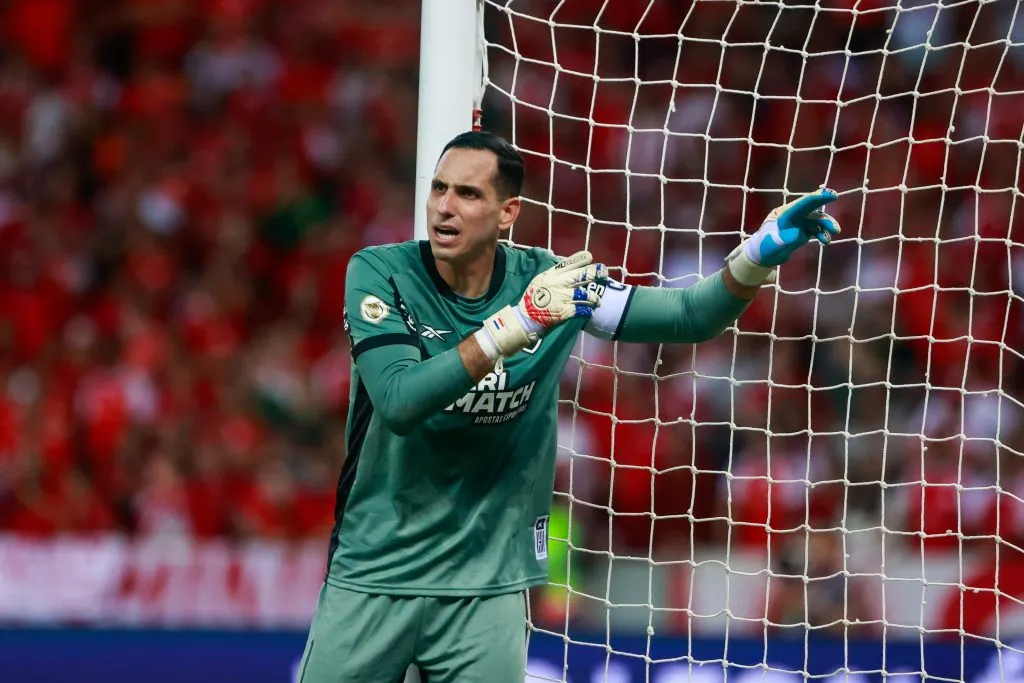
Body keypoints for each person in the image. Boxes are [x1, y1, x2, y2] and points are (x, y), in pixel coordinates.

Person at [297, 130, 841, 682]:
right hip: (373, 574)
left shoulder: (554, 284)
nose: (443, 206)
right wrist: (520, 324)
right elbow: (397, 400)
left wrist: (757, 253)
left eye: (467, 193)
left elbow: (688, 316)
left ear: (507, 212)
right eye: (438, 188)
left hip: (486, 591)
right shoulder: (380, 273)